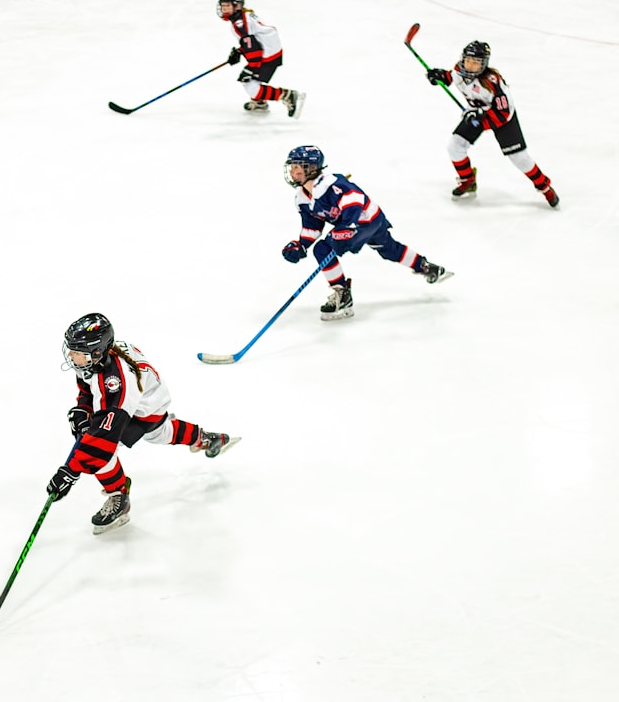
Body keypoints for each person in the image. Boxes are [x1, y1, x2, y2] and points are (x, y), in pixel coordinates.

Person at [47, 313, 240, 535]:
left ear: (97, 351)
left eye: (77, 352)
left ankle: (119, 496)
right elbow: (89, 384)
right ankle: (206, 438)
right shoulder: (99, 359)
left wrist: (71, 471)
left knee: (102, 452)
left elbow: (101, 441)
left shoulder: (115, 385)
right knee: (161, 432)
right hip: (148, 400)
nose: (71, 356)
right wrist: (84, 408)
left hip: (142, 409)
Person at [280, 145, 453, 321]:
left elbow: (355, 200)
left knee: (323, 249)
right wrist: (301, 245)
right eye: (292, 167)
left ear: (311, 168)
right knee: (389, 249)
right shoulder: (302, 198)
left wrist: (347, 228)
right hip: (368, 221)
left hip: (364, 222)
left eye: (297, 167)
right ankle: (425, 266)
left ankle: (342, 294)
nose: (293, 172)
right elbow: (313, 226)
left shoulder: (332, 185)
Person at [425, 41, 559, 207]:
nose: (470, 65)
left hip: (502, 119)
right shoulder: (459, 71)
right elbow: (452, 77)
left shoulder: (492, 83)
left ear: (484, 65)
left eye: (475, 63)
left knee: (519, 158)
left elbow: (503, 114)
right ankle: (468, 180)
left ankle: (544, 187)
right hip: (475, 115)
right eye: (468, 60)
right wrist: (439, 76)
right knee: (455, 146)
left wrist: (481, 116)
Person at [218, 0, 305, 118]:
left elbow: (254, 49)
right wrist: (240, 51)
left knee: (250, 85)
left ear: (237, 6)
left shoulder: (240, 23)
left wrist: (250, 68)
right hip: (269, 49)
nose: (224, 9)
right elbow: (253, 42)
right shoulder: (242, 17)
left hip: (268, 54)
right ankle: (259, 102)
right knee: (252, 80)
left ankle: (287, 95)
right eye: (223, 6)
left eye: (228, 6)